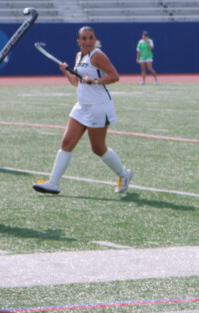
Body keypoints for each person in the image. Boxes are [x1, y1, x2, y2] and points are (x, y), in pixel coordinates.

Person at [33, 26, 132, 195]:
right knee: (67, 143)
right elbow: (76, 83)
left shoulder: (98, 55)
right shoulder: (79, 56)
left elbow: (115, 76)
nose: (88, 41)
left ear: (95, 39)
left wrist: (94, 81)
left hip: (98, 106)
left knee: (98, 148)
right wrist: (66, 72)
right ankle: (53, 183)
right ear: (78, 41)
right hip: (82, 105)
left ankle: (124, 175)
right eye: (84, 38)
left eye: (91, 38)